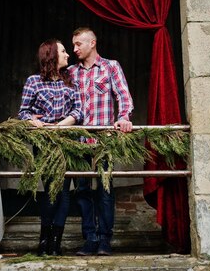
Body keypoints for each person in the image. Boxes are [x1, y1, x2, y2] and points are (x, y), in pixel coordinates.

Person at [68, 27, 134, 256]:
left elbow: (123, 95)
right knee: (83, 189)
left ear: (92, 43)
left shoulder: (110, 66)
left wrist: (124, 117)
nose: (74, 49)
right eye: (73, 44)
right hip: (78, 141)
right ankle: (90, 238)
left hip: (104, 141)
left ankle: (105, 239)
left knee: (105, 189)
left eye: (78, 44)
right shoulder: (71, 73)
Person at [18, 39, 82, 256]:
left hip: (66, 142)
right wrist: (34, 122)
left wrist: (58, 126)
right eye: (63, 51)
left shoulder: (71, 82)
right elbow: (24, 112)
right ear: (52, 55)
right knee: (50, 191)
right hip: (44, 145)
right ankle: (44, 239)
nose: (68, 55)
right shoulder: (34, 81)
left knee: (64, 192)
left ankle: (55, 243)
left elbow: (78, 111)